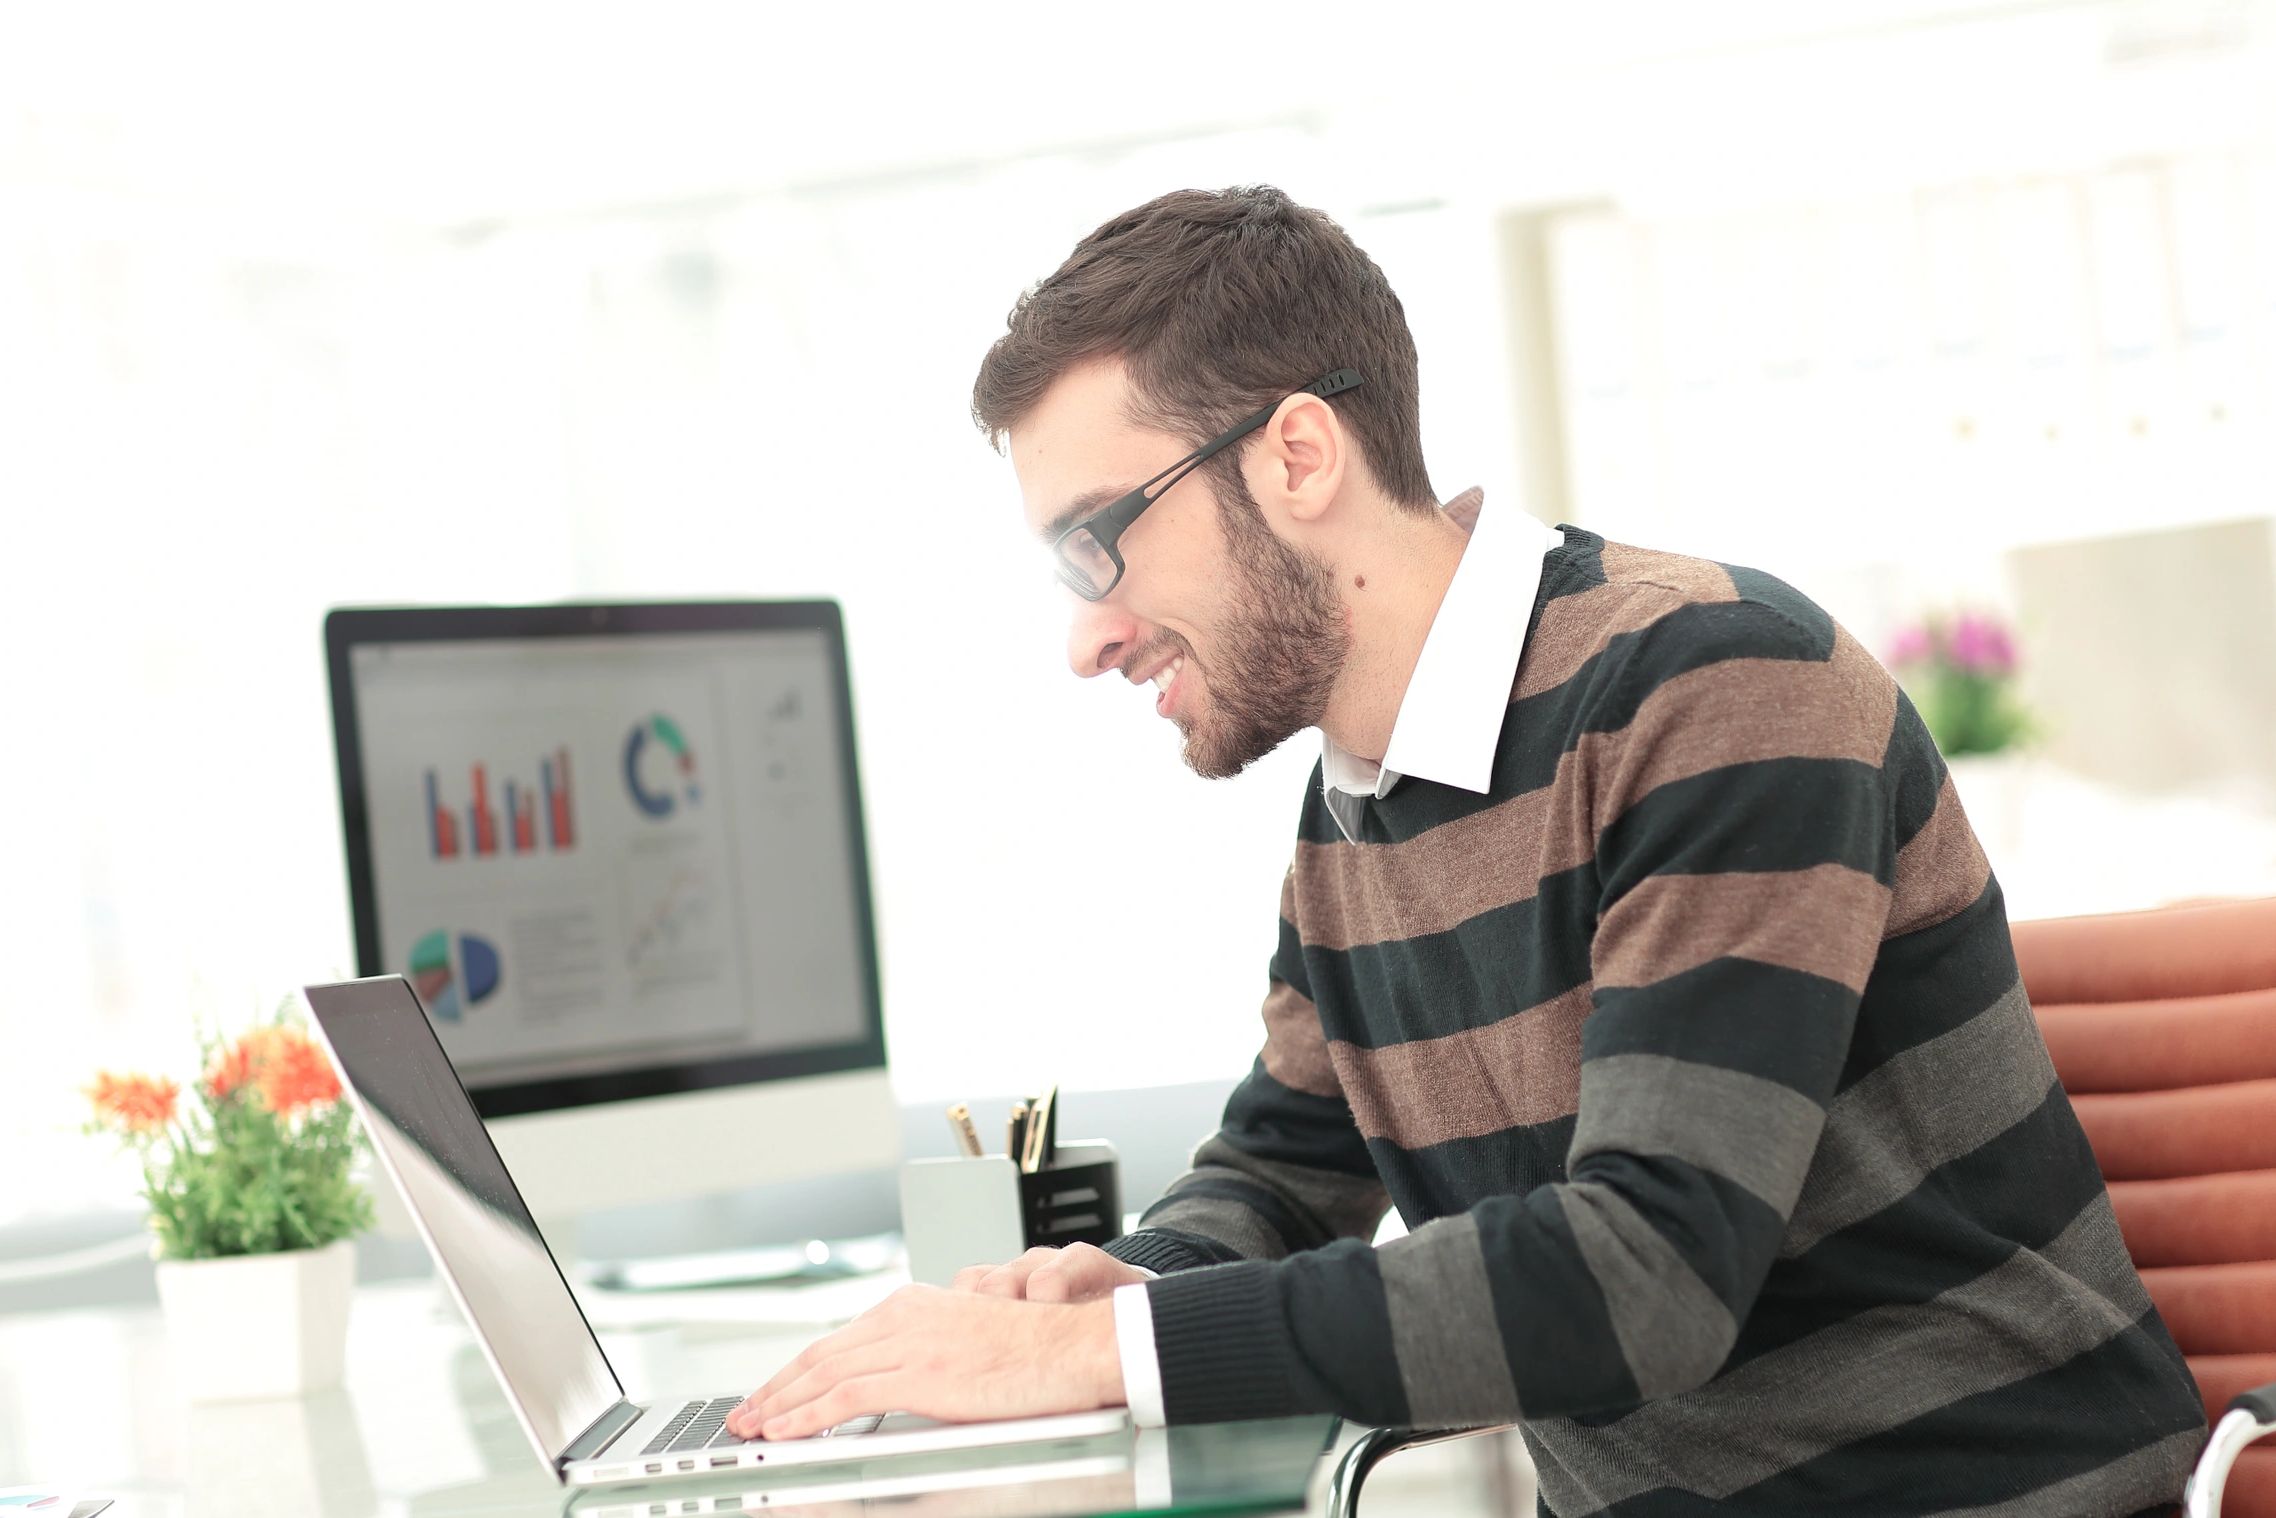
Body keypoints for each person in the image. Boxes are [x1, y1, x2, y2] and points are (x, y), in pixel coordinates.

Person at [730, 185, 2206, 1514]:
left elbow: (1648, 1279)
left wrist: (1103, 1355)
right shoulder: (1355, 807)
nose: (1085, 634)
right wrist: (1131, 1278)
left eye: (1095, 543)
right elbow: (1288, 1155)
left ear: (1297, 451)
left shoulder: (1715, 689)